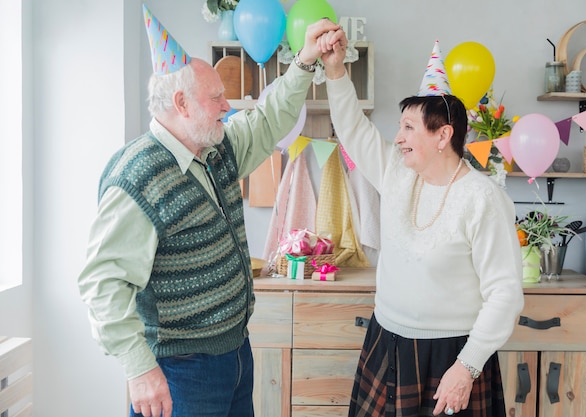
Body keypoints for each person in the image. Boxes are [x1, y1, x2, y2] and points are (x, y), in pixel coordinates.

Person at [77, 7, 342, 417]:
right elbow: (101, 282)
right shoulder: (139, 174)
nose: (226, 104)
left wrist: (305, 60)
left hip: (234, 352)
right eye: (215, 96)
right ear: (181, 103)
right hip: (180, 370)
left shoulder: (214, 147)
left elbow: (269, 119)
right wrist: (140, 369)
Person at [317, 29, 525, 417]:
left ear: (443, 134)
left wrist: (466, 367)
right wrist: (335, 71)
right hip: (386, 341)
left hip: (452, 355)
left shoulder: (483, 198)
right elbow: (353, 129)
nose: (397, 139)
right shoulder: (398, 175)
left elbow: (506, 294)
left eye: (409, 128)